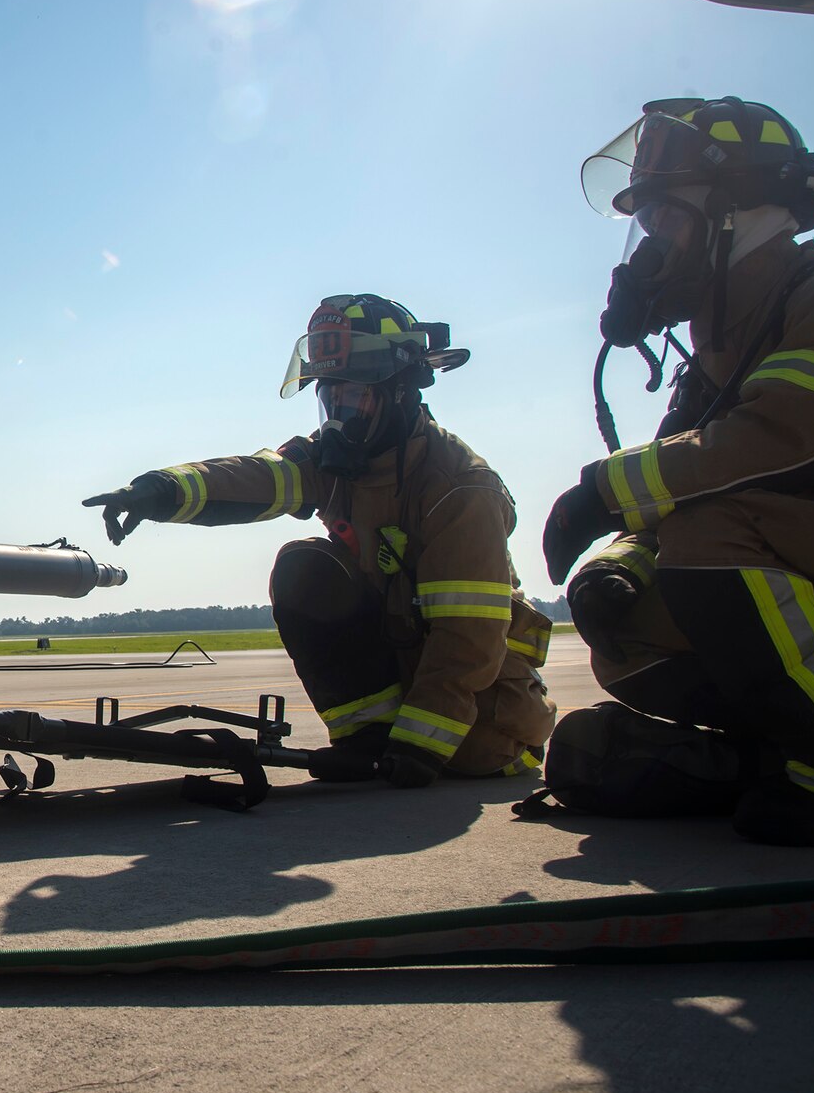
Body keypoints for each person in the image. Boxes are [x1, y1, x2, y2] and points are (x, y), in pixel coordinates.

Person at [544, 96, 814, 846]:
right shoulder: (720, 346)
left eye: (666, 220)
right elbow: (674, 486)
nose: (650, 250)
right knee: (627, 629)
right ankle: (795, 753)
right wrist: (623, 561)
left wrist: (602, 489)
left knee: (713, 530)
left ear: (734, 213)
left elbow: (796, 441)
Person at [84, 295, 555, 787]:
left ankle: (400, 741)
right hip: (406, 671)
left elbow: (468, 640)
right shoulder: (340, 462)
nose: (339, 420)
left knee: (474, 745)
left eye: (354, 401)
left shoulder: (458, 486)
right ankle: (366, 735)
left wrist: (419, 749)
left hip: (480, 722)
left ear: (399, 392)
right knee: (305, 567)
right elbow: (259, 477)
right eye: (332, 400)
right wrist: (161, 490)